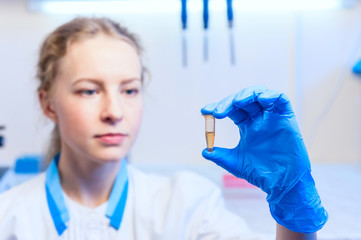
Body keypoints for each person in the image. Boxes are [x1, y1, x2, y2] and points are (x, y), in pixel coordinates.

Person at [0, 17, 327, 239]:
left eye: (129, 90)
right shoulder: (10, 218)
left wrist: (292, 210)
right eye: (89, 90)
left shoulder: (187, 206)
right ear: (48, 104)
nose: (114, 111)